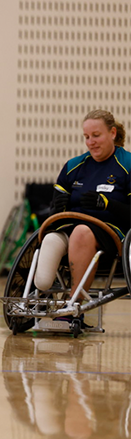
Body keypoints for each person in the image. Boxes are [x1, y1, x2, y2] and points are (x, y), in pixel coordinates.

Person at [32, 110, 130, 311]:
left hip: (113, 234)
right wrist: (57, 209)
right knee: (50, 239)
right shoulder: (73, 167)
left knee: (82, 232)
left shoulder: (127, 165)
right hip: (74, 226)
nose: (90, 142)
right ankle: (39, 294)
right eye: (86, 137)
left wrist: (108, 204)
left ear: (112, 133)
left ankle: (73, 304)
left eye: (96, 135)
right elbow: (55, 214)